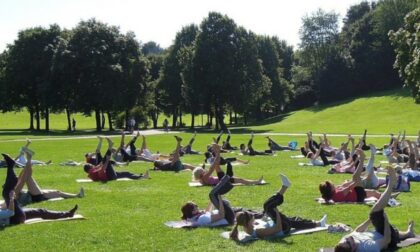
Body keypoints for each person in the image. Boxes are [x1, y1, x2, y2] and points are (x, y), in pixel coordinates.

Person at [334, 167, 415, 251]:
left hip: (378, 231)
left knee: (374, 216)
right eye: (348, 241)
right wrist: (385, 220)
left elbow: (357, 230)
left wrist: (369, 220)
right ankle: (391, 184)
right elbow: (387, 240)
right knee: (375, 213)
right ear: (353, 248)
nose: (347, 238)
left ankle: (408, 233)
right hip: (388, 237)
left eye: (344, 240)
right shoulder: (367, 247)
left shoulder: (346, 241)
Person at [230, 174, 327, 240]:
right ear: (248, 221)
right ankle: (284, 186)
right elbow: (278, 229)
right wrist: (277, 213)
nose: (253, 217)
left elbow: (256, 223)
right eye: (252, 217)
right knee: (268, 206)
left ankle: (318, 223)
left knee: (293, 220)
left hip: (280, 224)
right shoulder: (259, 231)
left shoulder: (247, 226)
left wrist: (266, 218)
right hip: (283, 228)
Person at [1, 151, 78, 226]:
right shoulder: (10, 197)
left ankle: (68, 214)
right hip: (16, 218)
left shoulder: (6, 201)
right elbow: (10, 213)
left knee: (41, 211)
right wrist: (11, 199)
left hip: (18, 214)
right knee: (7, 192)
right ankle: (10, 166)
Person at [319, 149, 387, 203]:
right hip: (358, 195)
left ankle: (386, 198)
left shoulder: (333, 194)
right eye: (331, 185)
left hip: (356, 193)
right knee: (355, 176)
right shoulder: (338, 194)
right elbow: (349, 188)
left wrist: (353, 181)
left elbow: (344, 186)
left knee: (374, 193)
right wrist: (356, 182)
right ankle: (362, 159)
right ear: (330, 189)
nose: (333, 184)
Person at [83, 137, 150, 181]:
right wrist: (106, 161)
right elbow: (102, 169)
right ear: (89, 167)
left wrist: (103, 162)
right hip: (110, 176)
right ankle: (110, 146)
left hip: (110, 175)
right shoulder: (92, 171)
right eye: (90, 165)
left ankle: (142, 176)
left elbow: (99, 167)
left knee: (126, 173)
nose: (92, 165)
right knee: (107, 161)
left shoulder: (92, 171)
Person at [192, 144, 262, 186]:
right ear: (200, 173)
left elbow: (212, 167)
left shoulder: (202, 179)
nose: (204, 170)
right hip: (222, 181)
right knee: (240, 180)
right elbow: (211, 169)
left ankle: (217, 151)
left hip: (221, 179)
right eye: (202, 170)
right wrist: (217, 152)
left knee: (216, 165)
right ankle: (256, 182)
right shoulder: (205, 177)